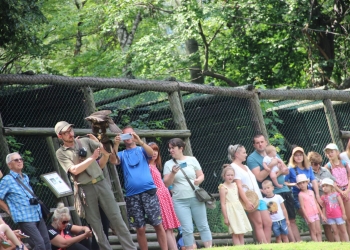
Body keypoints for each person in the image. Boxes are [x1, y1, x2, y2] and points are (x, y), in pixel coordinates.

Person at [54, 121, 136, 250]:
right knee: (96, 227)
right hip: (85, 189)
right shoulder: (61, 152)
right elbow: (74, 170)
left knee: (117, 219)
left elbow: (106, 152)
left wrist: (100, 138)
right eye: (66, 132)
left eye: (71, 130)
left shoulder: (85, 141)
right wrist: (92, 157)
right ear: (60, 136)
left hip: (101, 183)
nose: (70, 133)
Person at [112, 126, 167, 250]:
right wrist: (115, 145)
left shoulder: (142, 150)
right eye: (125, 135)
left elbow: (151, 153)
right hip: (132, 195)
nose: (128, 138)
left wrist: (140, 141)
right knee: (140, 228)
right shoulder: (122, 153)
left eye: (130, 134)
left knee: (158, 224)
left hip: (149, 191)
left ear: (134, 135)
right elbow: (113, 161)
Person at [246, 134, 299, 242]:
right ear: (254, 145)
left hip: (284, 189)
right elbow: (260, 177)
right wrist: (271, 166)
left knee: (291, 219)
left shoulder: (273, 153)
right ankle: (284, 243)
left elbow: (285, 170)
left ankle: (298, 243)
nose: (260, 144)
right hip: (270, 195)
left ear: (266, 142)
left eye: (262, 141)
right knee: (276, 221)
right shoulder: (252, 159)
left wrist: (276, 173)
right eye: (257, 143)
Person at [163, 138, 212, 249]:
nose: (170, 150)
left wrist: (199, 180)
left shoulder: (192, 160)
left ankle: (210, 248)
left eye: (173, 148)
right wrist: (172, 173)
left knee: (203, 225)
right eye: (169, 148)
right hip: (179, 201)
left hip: (196, 198)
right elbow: (166, 183)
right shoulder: (168, 164)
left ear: (181, 148)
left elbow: (201, 175)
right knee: (187, 228)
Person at [0, 152, 51, 250]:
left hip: (37, 214)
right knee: (39, 245)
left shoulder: (25, 177)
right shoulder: (7, 180)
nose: (19, 161)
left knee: (47, 243)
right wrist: (8, 210)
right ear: (9, 164)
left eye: (21, 159)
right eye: (16, 160)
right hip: (25, 218)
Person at [228, 144, 272, 243]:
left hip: (258, 197)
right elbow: (239, 186)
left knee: (268, 222)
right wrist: (247, 201)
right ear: (236, 154)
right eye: (244, 152)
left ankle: (268, 245)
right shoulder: (233, 167)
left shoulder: (246, 166)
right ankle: (264, 246)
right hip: (249, 200)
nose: (246, 154)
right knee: (258, 223)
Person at [147, 142, 180, 250]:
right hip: (158, 198)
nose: (154, 153)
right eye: (152, 150)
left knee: (170, 228)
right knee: (166, 227)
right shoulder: (147, 167)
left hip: (165, 196)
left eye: (156, 150)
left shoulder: (154, 166)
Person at [219, 165, 252, 245]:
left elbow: (237, 197)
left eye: (232, 175)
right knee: (235, 231)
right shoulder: (223, 188)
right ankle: (237, 246)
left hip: (238, 209)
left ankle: (242, 246)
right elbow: (223, 204)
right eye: (228, 175)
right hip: (231, 211)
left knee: (241, 230)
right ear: (224, 176)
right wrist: (226, 217)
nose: (230, 177)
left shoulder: (235, 185)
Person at [285, 147, 321, 217]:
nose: (299, 157)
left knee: (315, 217)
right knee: (307, 217)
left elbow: (313, 181)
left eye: (300, 155)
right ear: (293, 157)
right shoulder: (290, 168)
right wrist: (294, 184)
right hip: (298, 195)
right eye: (296, 155)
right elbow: (284, 182)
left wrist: (317, 195)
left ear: (303, 156)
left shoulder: (308, 167)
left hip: (309, 193)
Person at [308, 151, 336, 241]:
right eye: (315, 164)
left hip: (331, 200)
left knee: (336, 223)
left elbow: (333, 182)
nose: (318, 166)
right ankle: (331, 243)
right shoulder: (308, 173)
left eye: (319, 163)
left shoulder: (325, 170)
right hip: (318, 201)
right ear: (310, 163)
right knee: (326, 224)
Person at [323, 143, 350, 237]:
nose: (330, 154)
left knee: (349, 217)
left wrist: (346, 191)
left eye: (331, 151)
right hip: (336, 195)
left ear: (337, 152)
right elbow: (331, 182)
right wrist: (340, 191)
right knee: (341, 220)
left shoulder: (344, 163)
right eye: (327, 152)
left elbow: (349, 176)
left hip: (347, 192)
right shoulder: (327, 167)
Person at [297, 174, 325, 242]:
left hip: (316, 213)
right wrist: (307, 217)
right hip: (309, 214)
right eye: (300, 183)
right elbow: (303, 207)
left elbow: (316, 203)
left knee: (319, 230)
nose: (302, 185)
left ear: (307, 182)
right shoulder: (300, 195)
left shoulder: (311, 192)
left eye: (303, 182)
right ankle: (316, 244)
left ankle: (320, 243)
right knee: (313, 231)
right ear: (298, 185)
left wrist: (321, 214)